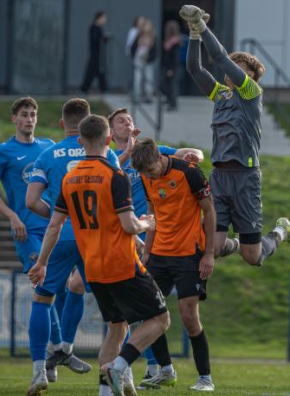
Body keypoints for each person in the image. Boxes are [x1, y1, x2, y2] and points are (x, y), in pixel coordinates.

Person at [28, 115, 171, 396]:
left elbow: (54, 226)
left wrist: (43, 262)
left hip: (92, 269)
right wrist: (147, 223)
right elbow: (129, 224)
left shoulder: (69, 179)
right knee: (160, 319)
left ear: (81, 142)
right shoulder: (115, 175)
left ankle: (104, 392)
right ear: (108, 140)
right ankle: (119, 366)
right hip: (121, 263)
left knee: (116, 327)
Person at [180, 4, 290, 266]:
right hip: (220, 176)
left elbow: (220, 57)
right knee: (211, 245)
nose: (229, 69)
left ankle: (280, 229)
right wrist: (193, 34)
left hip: (245, 177)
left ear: (249, 75)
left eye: (237, 66)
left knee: (253, 257)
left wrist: (202, 27)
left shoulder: (251, 93)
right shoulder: (220, 94)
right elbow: (194, 68)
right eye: (232, 66)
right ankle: (238, 241)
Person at [0, 97, 83, 392]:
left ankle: (57, 352)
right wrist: (13, 215)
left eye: (33, 114)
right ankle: (56, 350)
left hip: (58, 228)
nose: (29, 119)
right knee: (44, 288)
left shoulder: (49, 147)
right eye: (24, 115)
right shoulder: (3, 151)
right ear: (14, 119)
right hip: (27, 231)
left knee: (61, 289)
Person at [25, 99, 122, 394]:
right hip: (97, 237)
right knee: (115, 308)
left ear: (62, 124)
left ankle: (40, 371)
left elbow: (30, 201)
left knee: (43, 299)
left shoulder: (47, 155)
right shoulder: (107, 153)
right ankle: (120, 372)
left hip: (64, 235)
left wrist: (59, 214)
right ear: (89, 121)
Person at [107, 107, 203, 385]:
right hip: (129, 236)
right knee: (135, 309)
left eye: (130, 120)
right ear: (111, 133)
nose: (128, 124)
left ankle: (150, 368)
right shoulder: (112, 160)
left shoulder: (153, 152)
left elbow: (192, 155)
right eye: (120, 122)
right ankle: (142, 367)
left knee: (151, 308)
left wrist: (194, 156)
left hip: (155, 237)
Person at [131, 138, 217, 391]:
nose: (149, 175)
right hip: (158, 253)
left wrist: (209, 254)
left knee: (189, 316)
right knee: (150, 312)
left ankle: (205, 378)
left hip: (189, 253)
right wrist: (147, 251)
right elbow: (151, 213)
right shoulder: (146, 176)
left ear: (159, 157)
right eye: (144, 173)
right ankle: (166, 370)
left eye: (150, 170)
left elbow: (210, 211)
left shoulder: (188, 172)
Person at [81, 11, 110, 93]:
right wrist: (103, 38)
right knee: (93, 72)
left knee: (98, 72)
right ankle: (85, 88)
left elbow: (100, 40)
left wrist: (105, 38)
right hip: (95, 54)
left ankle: (102, 88)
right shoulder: (93, 27)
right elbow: (95, 40)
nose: (105, 20)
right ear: (99, 18)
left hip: (99, 54)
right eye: (104, 18)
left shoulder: (99, 28)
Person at [131, 19, 156, 103]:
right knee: (137, 78)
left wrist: (150, 58)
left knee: (148, 78)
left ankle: (149, 96)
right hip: (138, 59)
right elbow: (133, 47)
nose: (147, 27)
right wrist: (134, 55)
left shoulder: (153, 36)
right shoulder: (139, 36)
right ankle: (136, 96)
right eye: (145, 25)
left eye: (148, 26)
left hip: (148, 60)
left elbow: (155, 50)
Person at [160, 20, 182, 111]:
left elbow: (174, 58)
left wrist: (171, 69)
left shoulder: (174, 42)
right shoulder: (170, 41)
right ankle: (169, 100)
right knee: (167, 84)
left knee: (172, 85)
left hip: (172, 67)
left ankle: (173, 104)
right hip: (168, 66)